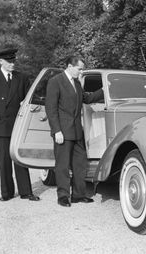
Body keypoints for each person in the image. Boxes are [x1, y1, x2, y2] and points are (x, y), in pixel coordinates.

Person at [0, 48, 40, 202]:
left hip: (18, 126)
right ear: (0, 61)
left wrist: (25, 103)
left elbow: (30, 99)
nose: (12, 64)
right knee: (4, 161)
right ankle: (6, 193)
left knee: (20, 159)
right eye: (9, 61)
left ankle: (26, 192)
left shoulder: (23, 78)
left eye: (14, 61)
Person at [45, 55, 103, 207]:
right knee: (62, 165)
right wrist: (56, 130)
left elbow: (87, 99)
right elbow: (51, 109)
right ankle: (63, 196)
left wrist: (105, 90)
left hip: (77, 132)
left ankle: (78, 195)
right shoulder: (55, 81)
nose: (81, 72)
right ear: (70, 66)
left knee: (80, 164)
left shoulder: (76, 83)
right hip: (62, 132)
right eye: (79, 69)